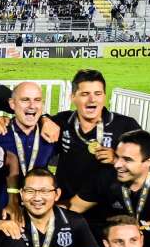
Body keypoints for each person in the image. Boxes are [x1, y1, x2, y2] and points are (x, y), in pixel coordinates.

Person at [48, 69, 141, 206]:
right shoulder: (62, 121)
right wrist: (44, 119)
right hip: (69, 206)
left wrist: (116, 159)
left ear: (104, 96)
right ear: (73, 97)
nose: (92, 99)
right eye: (85, 94)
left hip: (110, 210)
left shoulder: (125, 125)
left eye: (98, 94)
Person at [0, 82, 57, 213]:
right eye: (25, 100)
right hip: (1, 214)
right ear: (12, 104)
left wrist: (46, 118)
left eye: (37, 100)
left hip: (39, 211)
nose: (32, 106)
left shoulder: (51, 133)